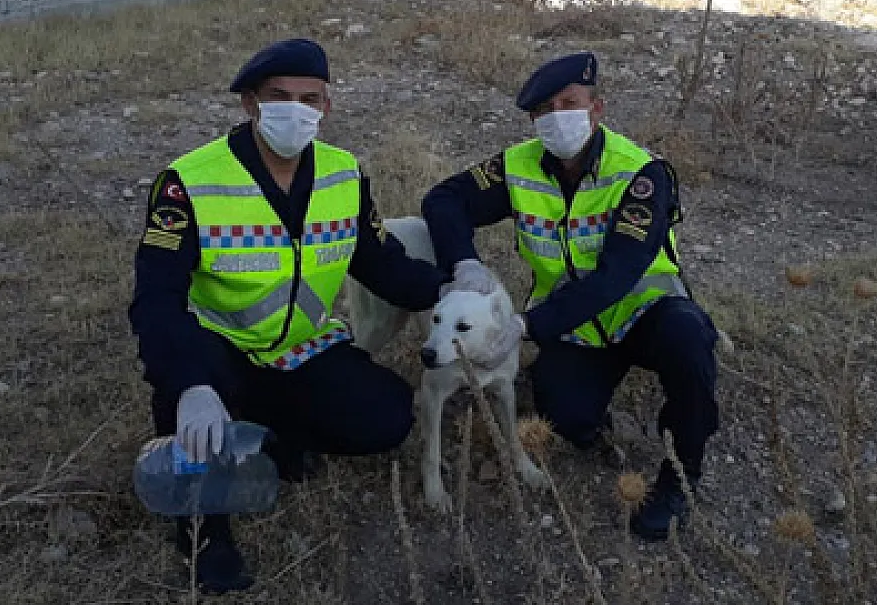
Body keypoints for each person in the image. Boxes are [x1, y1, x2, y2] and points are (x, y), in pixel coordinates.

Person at [128, 38, 450, 593]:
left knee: (387, 416)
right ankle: (204, 532)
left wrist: (453, 288)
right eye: (280, 96)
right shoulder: (188, 182)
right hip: (218, 347)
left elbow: (381, 266)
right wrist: (189, 384)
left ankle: (272, 437)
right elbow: (156, 300)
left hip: (303, 347)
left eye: (310, 98)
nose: (295, 110)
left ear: (327, 106)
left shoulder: (343, 175)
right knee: (190, 405)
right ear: (250, 103)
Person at [423, 51, 720, 542]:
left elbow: (616, 275)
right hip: (576, 328)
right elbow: (443, 199)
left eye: (569, 103)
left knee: (688, 341)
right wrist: (464, 262)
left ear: (595, 109)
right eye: (544, 110)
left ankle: (680, 477)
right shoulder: (516, 166)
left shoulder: (641, 174)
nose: (557, 118)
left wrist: (523, 327)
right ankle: (595, 417)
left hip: (645, 314)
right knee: (565, 419)